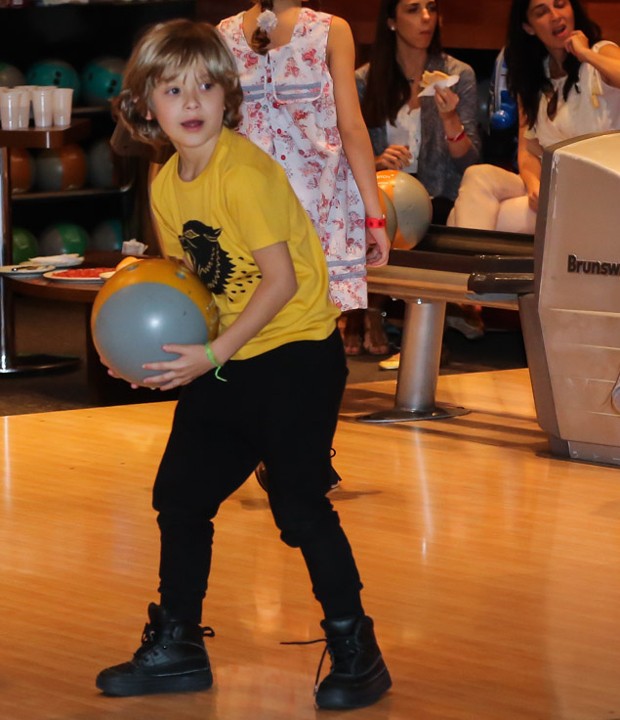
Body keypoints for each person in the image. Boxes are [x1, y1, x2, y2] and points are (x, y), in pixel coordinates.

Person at [95, 20, 391, 711]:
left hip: (296, 356)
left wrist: (211, 356)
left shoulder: (245, 171)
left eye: (206, 86)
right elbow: (193, 290)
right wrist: (148, 358)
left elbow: (280, 283)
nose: (191, 101)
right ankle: (178, 646)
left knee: (298, 505)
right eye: (173, 89)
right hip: (230, 357)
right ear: (147, 104)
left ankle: (357, 649)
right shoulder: (168, 184)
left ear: (229, 97)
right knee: (181, 498)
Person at [218, 0, 391, 483]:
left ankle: (299, 450)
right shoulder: (235, 33)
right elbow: (350, 127)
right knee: (286, 332)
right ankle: (287, 448)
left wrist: (374, 215)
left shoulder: (324, 30)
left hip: (294, 205)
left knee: (295, 334)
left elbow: (351, 125)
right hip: (278, 205)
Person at [343, 0, 483, 366]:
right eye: (412, 9)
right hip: (380, 189)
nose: (426, 18)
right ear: (391, 21)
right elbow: (341, 152)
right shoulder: (363, 80)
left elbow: (470, 160)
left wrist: (450, 119)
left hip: (437, 192)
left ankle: (394, 323)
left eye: (431, 8)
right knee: (371, 211)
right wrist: (377, 160)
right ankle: (369, 313)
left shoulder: (457, 74)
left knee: (426, 217)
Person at [448, 0, 620, 234]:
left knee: (458, 217)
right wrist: (534, 186)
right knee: (477, 176)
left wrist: (585, 54)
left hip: (599, 191)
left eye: (560, 4)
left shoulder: (600, 53)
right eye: (542, 12)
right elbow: (528, 151)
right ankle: (469, 267)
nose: (555, 15)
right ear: (528, 27)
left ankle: (465, 268)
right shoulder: (534, 78)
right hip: (555, 188)